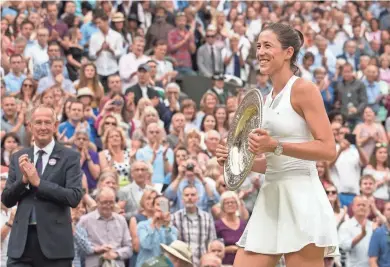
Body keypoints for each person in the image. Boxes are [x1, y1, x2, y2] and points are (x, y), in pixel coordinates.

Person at [216, 23, 338, 267]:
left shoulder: (303, 89)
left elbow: (328, 149)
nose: (260, 51)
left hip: (302, 197)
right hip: (270, 198)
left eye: (268, 46)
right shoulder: (267, 99)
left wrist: (275, 146)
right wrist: (236, 160)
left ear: (288, 52)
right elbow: (272, 163)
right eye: (258, 46)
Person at [1, 105, 83, 267]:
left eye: (47, 122)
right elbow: (7, 199)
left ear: (55, 125)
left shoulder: (70, 156)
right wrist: (23, 181)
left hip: (55, 246)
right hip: (21, 245)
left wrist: (38, 183)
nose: (43, 127)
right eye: (38, 122)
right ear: (30, 126)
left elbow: (74, 197)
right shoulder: (19, 157)